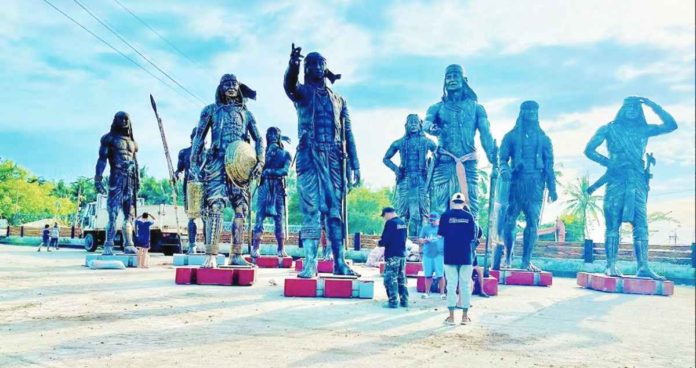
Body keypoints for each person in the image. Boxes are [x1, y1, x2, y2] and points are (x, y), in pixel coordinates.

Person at [284, 44, 361, 277]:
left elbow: (348, 132)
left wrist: (355, 164)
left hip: (335, 158)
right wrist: (293, 64)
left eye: (321, 64)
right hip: (310, 155)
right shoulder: (303, 93)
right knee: (312, 209)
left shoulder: (340, 100)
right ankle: (310, 263)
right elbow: (289, 85)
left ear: (326, 68)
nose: (317, 67)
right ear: (307, 68)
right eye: (312, 64)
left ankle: (340, 262)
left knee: (335, 213)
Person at [584, 97, 677, 280]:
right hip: (616, 180)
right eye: (628, 106)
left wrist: (652, 105)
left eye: (636, 107)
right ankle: (610, 265)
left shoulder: (644, 130)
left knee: (641, 225)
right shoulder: (609, 129)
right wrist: (610, 163)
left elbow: (671, 125)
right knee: (613, 224)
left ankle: (643, 266)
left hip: (637, 181)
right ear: (622, 108)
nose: (632, 110)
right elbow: (589, 150)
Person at [190, 73, 264, 268]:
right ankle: (211, 255)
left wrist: (260, 161)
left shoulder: (247, 114)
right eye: (226, 84)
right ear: (220, 88)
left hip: (240, 169)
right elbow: (199, 137)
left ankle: (236, 254)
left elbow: (259, 139)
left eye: (234, 84)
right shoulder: (211, 110)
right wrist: (194, 164)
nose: (231, 87)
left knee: (241, 210)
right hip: (217, 163)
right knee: (216, 208)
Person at [424, 64, 496, 217]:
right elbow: (426, 122)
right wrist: (430, 127)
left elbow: (486, 135)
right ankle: (440, 239)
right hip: (444, 164)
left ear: (464, 80)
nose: (451, 80)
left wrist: (494, 159)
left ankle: (471, 239)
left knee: (471, 209)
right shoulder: (436, 108)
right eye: (448, 77)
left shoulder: (477, 108)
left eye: (455, 76)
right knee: (439, 208)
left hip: (468, 164)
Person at [383, 114, 437, 236]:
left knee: (424, 212)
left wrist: (432, 166)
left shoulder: (427, 141)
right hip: (405, 179)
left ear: (420, 125)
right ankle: (400, 239)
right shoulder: (399, 143)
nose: (413, 124)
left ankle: (423, 239)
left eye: (415, 122)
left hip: (422, 179)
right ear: (406, 125)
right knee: (402, 211)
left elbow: (439, 153)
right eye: (411, 122)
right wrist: (396, 169)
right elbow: (386, 158)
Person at [94, 111, 140, 255]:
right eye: (122, 119)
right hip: (117, 177)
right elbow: (102, 159)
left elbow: (136, 162)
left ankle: (129, 244)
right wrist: (98, 177)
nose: (125, 121)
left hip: (130, 180)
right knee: (113, 213)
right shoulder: (109, 139)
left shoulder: (133, 142)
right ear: (116, 120)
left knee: (129, 214)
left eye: (127, 119)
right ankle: (108, 244)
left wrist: (138, 181)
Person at [251, 127, 292, 258]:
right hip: (264, 187)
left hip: (278, 188)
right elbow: (255, 168)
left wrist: (271, 172)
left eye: (276, 134)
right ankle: (255, 248)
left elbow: (285, 171)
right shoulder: (262, 153)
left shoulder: (285, 154)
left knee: (279, 220)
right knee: (259, 219)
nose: (273, 136)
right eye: (270, 134)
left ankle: (281, 248)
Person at [439, 193, 477, 325]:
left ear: (452, 202)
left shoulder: (445, 216)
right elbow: (473, 236)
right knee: (465, 286)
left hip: (450, 256)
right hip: (466, 256)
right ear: (463, 202)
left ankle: (451, 317)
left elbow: (441, 234)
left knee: (451, 286)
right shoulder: (469, 216)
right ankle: (465, 317)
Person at [378, 207, 409, 308]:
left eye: (384, 216)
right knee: (401, 278)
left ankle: (393, 301)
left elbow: (385, 239)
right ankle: (404, 301)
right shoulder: (402, 223)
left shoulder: (390, 223)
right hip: (402, 255)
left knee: (390, 279)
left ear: (387, 213)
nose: (384, 219)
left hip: (392, 255)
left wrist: (379, 243)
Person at [417, 212, 445, 299]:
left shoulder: (443, 228)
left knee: (440, 275)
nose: (432, 222)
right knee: (428, 275)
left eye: (434, 220)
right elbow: (420, 239)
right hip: (428, 254)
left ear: (438, 220)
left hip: (439, 254)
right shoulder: (425, 228)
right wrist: (424, 240)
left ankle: (442, 293)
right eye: (430, 220)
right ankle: (427, 292)